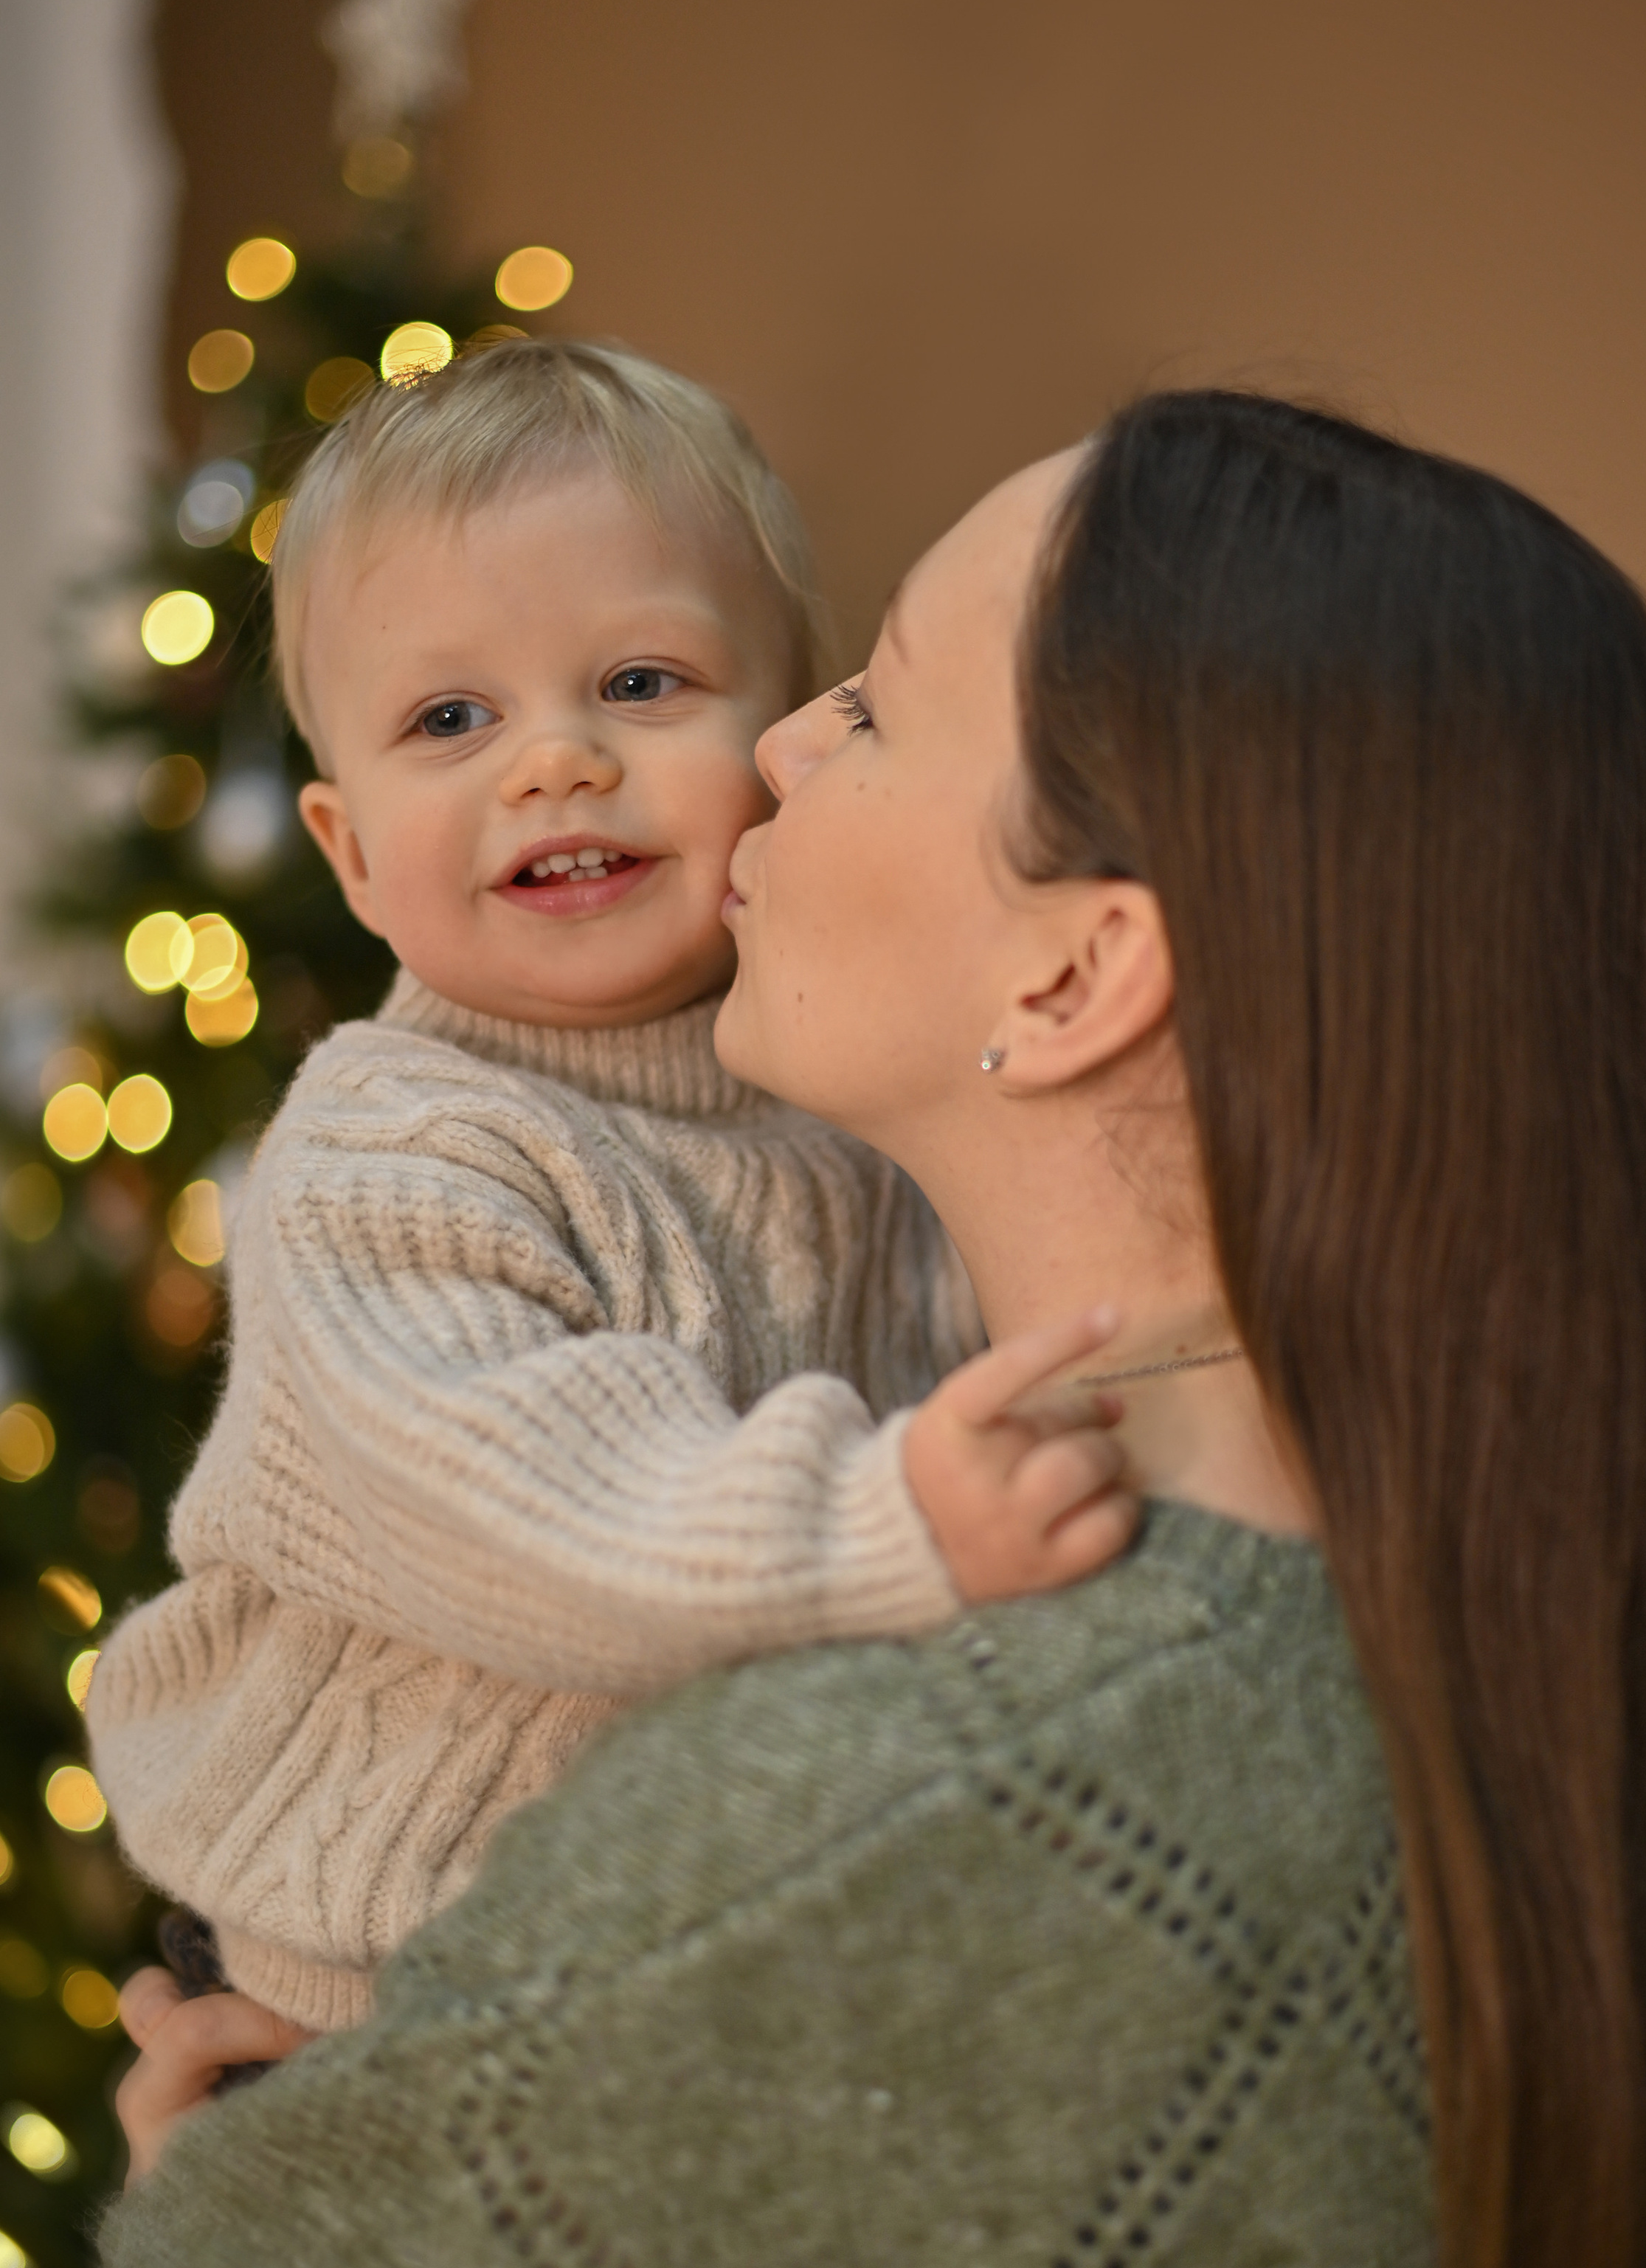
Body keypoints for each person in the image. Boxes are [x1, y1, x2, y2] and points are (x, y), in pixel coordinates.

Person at [0, 393, 1646, 2268]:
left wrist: (278, 2224)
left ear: (1076, 970)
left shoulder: (921, 1809)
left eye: (862, 700)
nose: (767, 754)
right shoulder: (1503, 1657)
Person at [82, 336, 1132, 2057]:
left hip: (647, 1961)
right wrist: (887, 1521)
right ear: (348, 855)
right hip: (347, 1969)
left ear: (784, 744)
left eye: (640, 684)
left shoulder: (858, 1115)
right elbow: (514, 1481)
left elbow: (1003, 1363)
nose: (553, 762)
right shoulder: (391, 1148)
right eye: (450, 719)